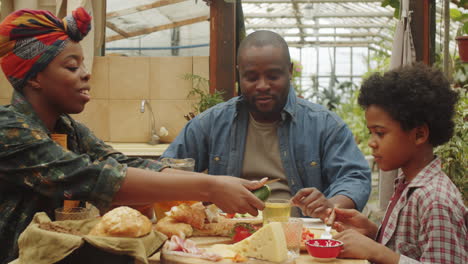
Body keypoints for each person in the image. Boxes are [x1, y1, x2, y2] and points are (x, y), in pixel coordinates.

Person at [0, 8, 265, 263]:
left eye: (82, 64)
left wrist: (216, 182)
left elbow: (124, 164)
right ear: (34, 78)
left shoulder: (67, 129)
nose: (85, 73)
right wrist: (210, 188)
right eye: (72, 67)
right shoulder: (8, 130)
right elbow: (96, 179)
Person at [162, 30, 371, 218]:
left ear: (289, 71)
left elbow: (354, 177)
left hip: (300, 233)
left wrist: (330, 204)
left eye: (273, 76)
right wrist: (206, 191)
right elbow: (165, 170)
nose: (262, 86)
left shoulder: (324, 125)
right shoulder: (210, 123)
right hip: (227, 236)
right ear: (239, 74)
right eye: (251, 77)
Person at [330, 63, 467, 263]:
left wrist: (377, 252)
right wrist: (373, 233)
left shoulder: (435, 200)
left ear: (419, 134)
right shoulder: (407, 184)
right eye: (371, 133)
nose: (371, 142)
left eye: (380, 133)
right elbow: (411, 251)